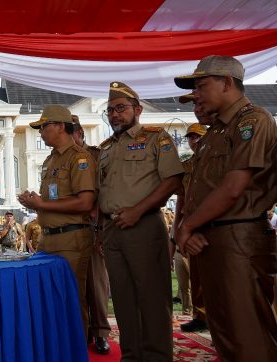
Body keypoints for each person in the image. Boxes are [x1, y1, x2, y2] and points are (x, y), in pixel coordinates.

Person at [175, 55, 277, 360]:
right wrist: (189, 229)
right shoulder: (215, 132)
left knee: (247, 332)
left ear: (227, 83)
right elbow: (198, 189)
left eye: (202, 85)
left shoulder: (252, 121)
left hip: (239, 238)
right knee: (224, 330)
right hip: (212, 239)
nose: (196, 94)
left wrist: (187, 226)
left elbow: (233, 188)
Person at [98, 82, 184, 361]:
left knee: (153, 299)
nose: (114, 115)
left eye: (120, 108)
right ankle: (131, 356)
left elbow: (172, 179)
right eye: (110, 110)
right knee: (122, 300)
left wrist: (137, 210)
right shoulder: (106, 147)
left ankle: (157, 356)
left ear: (138, 109)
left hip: (144, 226)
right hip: (112, 230)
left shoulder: (155, 138)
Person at [18, 104, 97, 340]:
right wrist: (35, 202)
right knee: (50, 300)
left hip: (72, 239)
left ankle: (76, 351)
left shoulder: (80, 158)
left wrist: (41, 204)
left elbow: (85, 202)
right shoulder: (50, 160)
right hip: (49, 239)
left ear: (60, 126)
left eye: (44, 127)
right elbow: (52, 198)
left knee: (71, 300)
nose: (40, 132)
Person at [71, 114, 111, 354]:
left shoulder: (96, 156)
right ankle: (83, 330)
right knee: (77, 285)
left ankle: (100, 333)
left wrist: (101, 228)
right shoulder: (61, 159)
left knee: (96, 284)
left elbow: (105, 193)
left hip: (94, 227)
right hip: (71, 230)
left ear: (79, 134)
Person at [171, 104, 211, 332]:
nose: (194, 142)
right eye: (191, 138)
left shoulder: (216, 162)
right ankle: (200, 315)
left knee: (214, 275)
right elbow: (181, 201)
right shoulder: (186, 167)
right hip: (189, 226)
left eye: (198, 137)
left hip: (211, 226)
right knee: (195, 274)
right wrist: (177, 228)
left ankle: (217, 316)